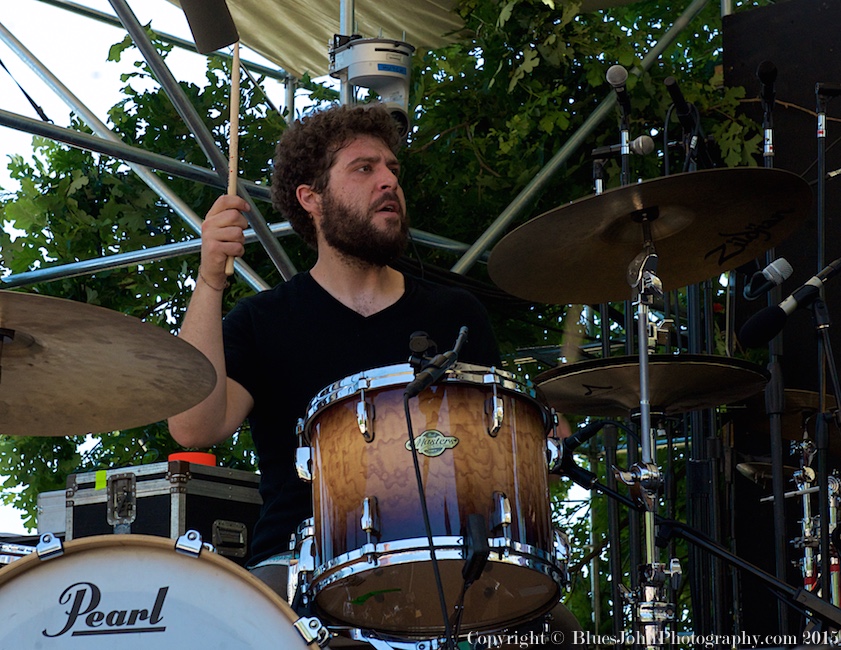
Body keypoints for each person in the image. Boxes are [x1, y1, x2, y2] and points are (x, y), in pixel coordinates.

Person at [167, 104, 500, 598]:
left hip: (444, 556)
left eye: (392, 168)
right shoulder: (262, 321)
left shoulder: (457, 314)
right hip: (295, 566)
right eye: (364, 168)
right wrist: (210, 279)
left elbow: (498, 451)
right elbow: (193, 427)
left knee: (554, 625)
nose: (388, 180)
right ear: (312, 199)